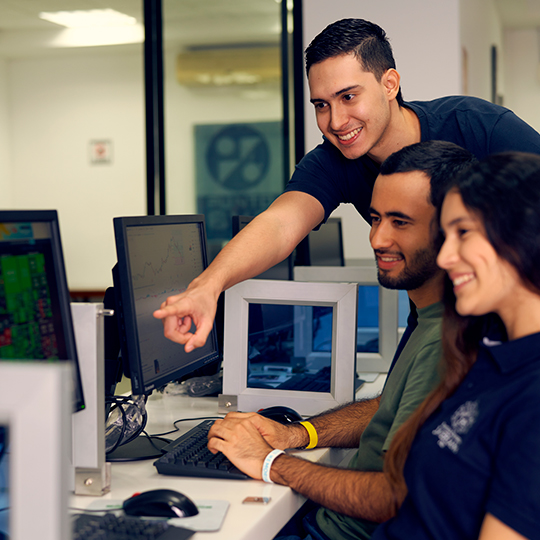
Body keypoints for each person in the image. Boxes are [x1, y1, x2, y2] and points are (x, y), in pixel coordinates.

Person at [153, 18, 540, 352]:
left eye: (349, 97)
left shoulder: (477, 126)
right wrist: (208, 287)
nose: (336, 121)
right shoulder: (333, 161)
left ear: (390, 84)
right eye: (321, 105)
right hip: (436, 320)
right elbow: (279, 225)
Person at [206, 141, 477, 540]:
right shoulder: (431, 318)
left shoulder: (447, 339)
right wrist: (297, 434)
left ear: (453, 231)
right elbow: (388, 409)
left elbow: (394, 497)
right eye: (375, 218)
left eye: (400, 222)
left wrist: (269, 462)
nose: (378, 239)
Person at [371, 152, 540, 540]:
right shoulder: (491, 351)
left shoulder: (533, 394)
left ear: (524, 234)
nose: (446, 258)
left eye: (463, 232)